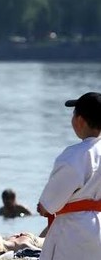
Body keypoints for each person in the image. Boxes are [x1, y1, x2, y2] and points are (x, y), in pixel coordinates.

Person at [36, 91, 101, 259]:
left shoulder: (74, 155)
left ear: (79, 121)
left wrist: (43, 207)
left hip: (74, 230)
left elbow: (49, 205)